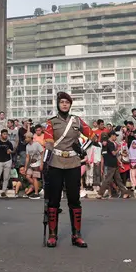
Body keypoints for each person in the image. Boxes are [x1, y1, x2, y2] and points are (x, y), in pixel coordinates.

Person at [43, 92, 95, 248]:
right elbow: (49, 143)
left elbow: (93, 136)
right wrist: (45, 163)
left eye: (67, 102)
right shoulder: (51, 122)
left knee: (74, 200)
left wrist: (82, 148)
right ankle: (53, 235)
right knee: (53, 200)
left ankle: (76, 235)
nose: (64, 105)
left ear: (70, 105)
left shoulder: (77, 121)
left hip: (73, 163)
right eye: (62, 102)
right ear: (58, 104)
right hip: (56, 163)